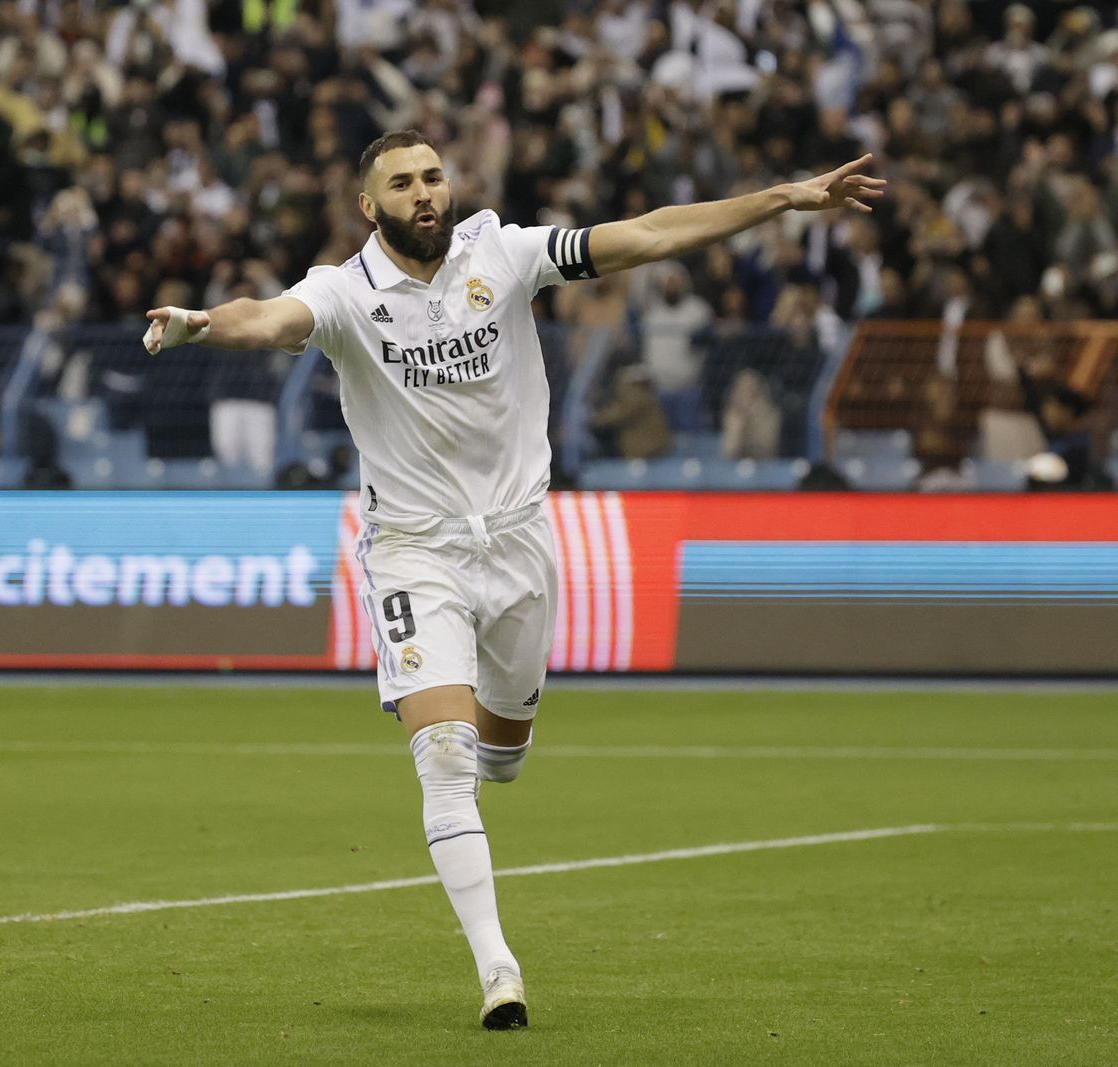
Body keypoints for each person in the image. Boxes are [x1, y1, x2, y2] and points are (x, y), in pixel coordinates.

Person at [143, 130, 883, 1029]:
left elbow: (648, 234)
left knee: (503, 756)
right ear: (368, 208)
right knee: (446, 759)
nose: (425, 193)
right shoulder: (342, 294)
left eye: (432, 176)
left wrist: (782, 197)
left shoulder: (507, 252)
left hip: (521, 544)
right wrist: (200, 322)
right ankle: (500, 969)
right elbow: (267, 318)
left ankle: (501, 756)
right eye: (402, 184)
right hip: (415, 551)